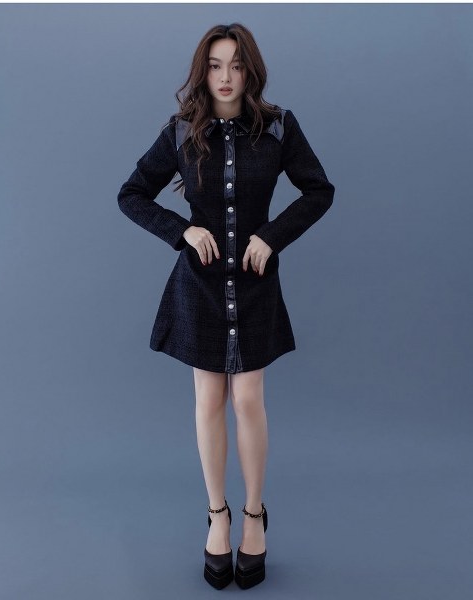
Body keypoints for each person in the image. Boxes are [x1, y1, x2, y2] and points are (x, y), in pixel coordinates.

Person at [117, 22, 335, 590]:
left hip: (255, 284)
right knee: (208, 399)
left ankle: (255, 515)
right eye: (215, 65)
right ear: (202, 71)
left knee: (249, 397)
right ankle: (218, 515)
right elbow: (131, 194)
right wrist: (181, 231)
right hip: (201, 286)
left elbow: (319, 190)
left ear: (250, 71)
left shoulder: (278, 128)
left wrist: (272, 236)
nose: (225, 77)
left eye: (236, 65)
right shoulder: (181, 132)